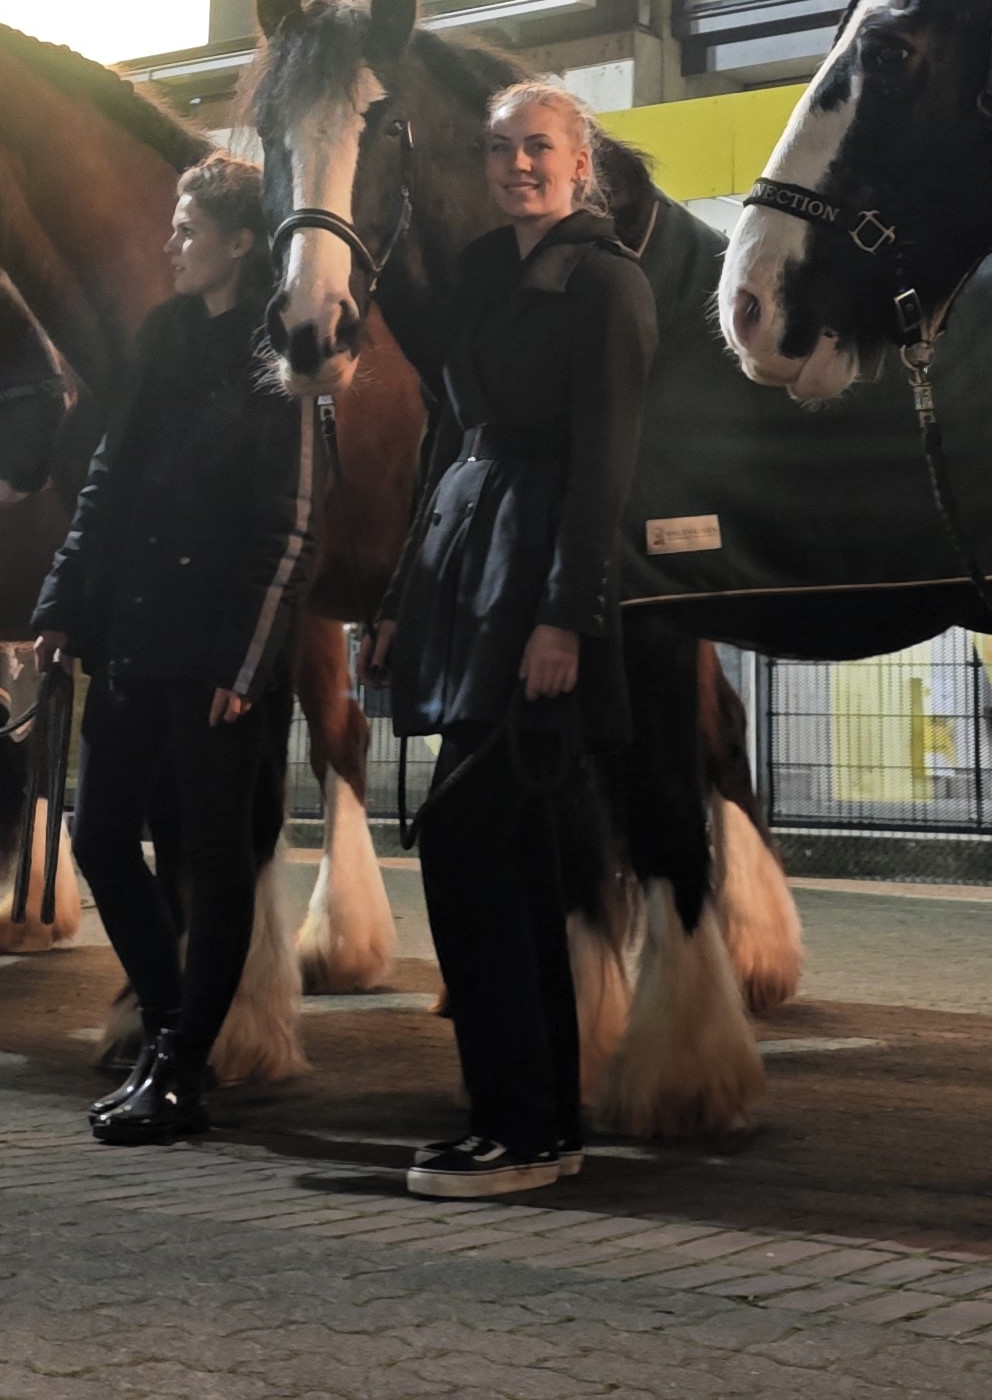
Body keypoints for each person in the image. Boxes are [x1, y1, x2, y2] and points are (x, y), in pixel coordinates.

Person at [372, 82, 655, 1201]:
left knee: (464, 844)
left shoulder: (606, 284)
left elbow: (606, 466)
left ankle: (518, 1124)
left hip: (532, 588)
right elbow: (445, 435)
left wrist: (565, 616)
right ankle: (536, 1124)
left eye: (537, 147)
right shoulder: (485, 276)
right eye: (499, 148)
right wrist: (398, 596)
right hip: (464, 578)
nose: (516, 165)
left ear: (579, 164)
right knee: (518, 866)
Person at [33, 156, 323, 1144]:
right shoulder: (158, 337)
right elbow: (105, 483)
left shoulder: (281, 345)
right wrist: (63, 601)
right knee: (100, 838)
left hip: (214, 660)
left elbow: (289, 525)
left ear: (241, 243)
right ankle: (169, 1032)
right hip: (131, 637)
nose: (171, 243)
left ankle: (182, 1068)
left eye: (188, 229)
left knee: (211, 855)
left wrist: (242, 666)